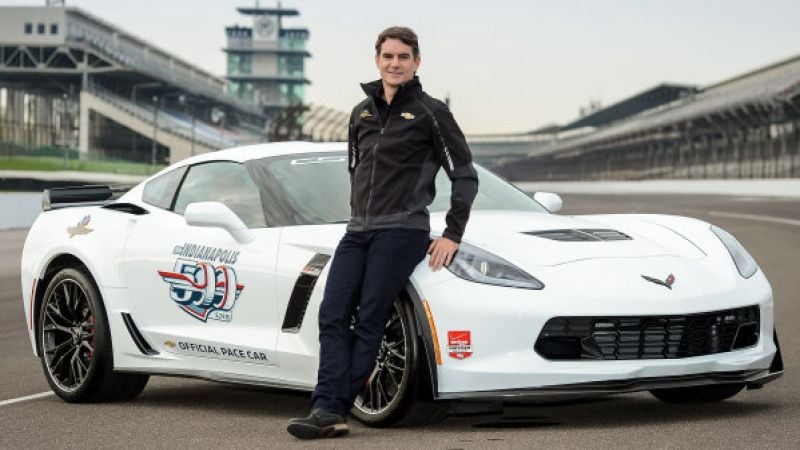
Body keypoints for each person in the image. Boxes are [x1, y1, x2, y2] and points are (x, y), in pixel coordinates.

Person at [287, 26, 478, 440]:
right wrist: (357, 217)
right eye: (388, 56)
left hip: (402, 231)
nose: (395, 64)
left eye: (403, 57)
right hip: (358, 231)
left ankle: (328, 409)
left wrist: (452, 234)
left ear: (416, 62)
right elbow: (356, 172)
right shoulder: (362, 113)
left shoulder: (431, 112)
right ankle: (328, 406)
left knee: (370, 317)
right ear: (377, 60)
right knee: (332, 314)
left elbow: (464, 175)